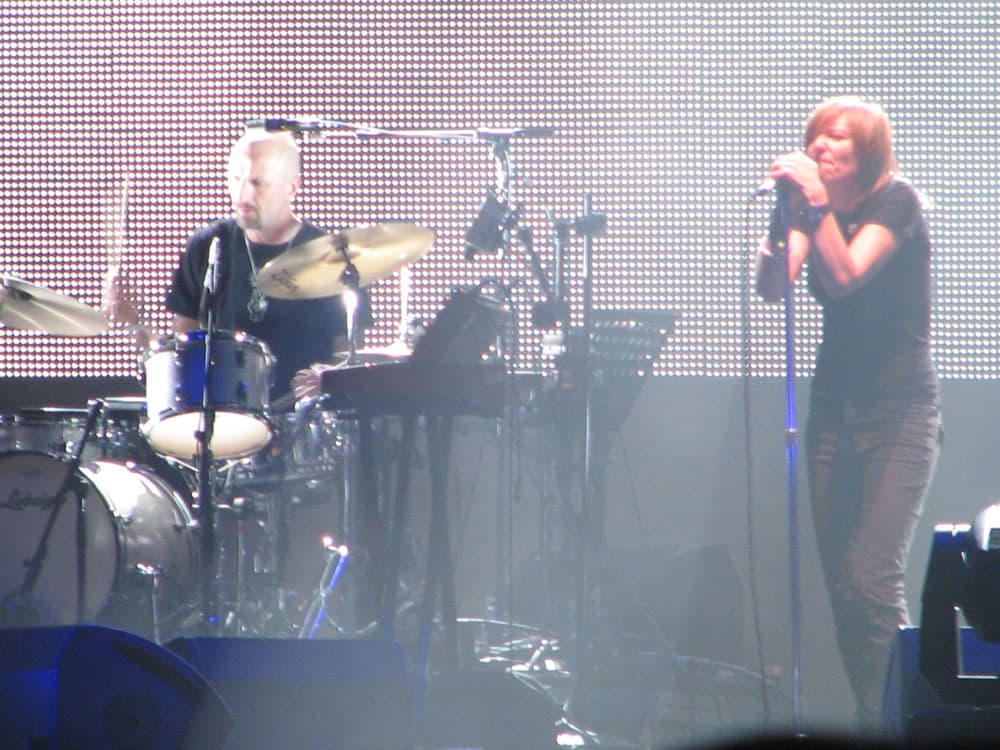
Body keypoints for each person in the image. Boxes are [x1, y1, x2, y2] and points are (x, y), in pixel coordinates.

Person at [756, 96, 942, 730]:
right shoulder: (816, 210)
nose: (820, 147)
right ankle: (873, 714)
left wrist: (815, 205)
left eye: (836, 138)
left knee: (871, 578)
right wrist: (785, 221)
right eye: (815, 137)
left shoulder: (898, 202)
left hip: (899, 414)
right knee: (842, 586)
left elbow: (845, 275)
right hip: (834, 415)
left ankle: (907, 719)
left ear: (869, 152)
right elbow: (773, 286)